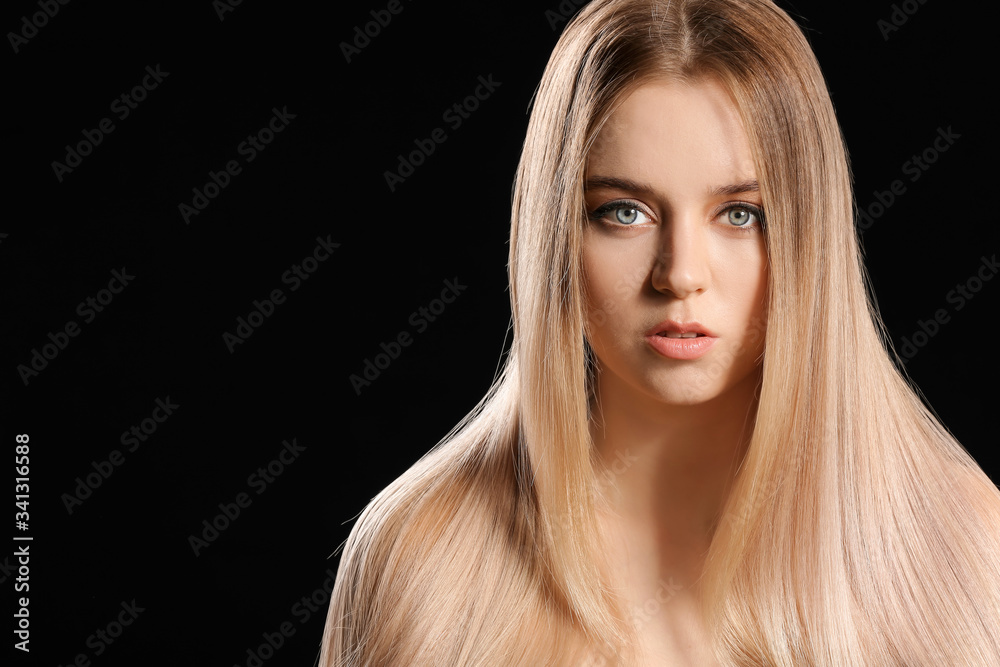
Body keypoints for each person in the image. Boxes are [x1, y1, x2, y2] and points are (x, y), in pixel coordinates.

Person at [320, 0, 1000, 664]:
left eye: (740, 214)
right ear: (553, 233)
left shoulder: (963, 542)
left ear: (809, 234)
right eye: (624, 212)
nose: (679, 275)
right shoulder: (424, 560)